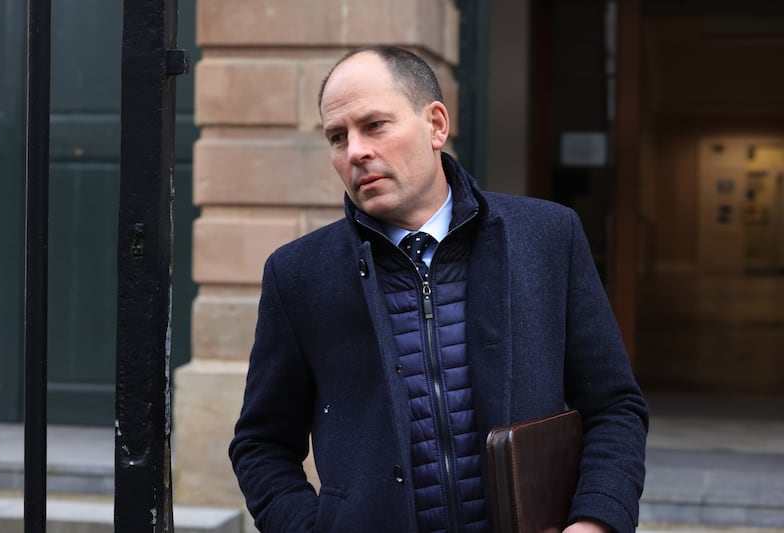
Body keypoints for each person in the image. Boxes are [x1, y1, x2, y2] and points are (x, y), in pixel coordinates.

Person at [229, 45, 649, 533]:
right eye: (337, 137)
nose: (356, 151)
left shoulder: (548, 237)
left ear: (436, 125)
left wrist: (595, 521)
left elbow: (615, 407)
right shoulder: (298, 273)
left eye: (375, 126)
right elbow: (261, 445)